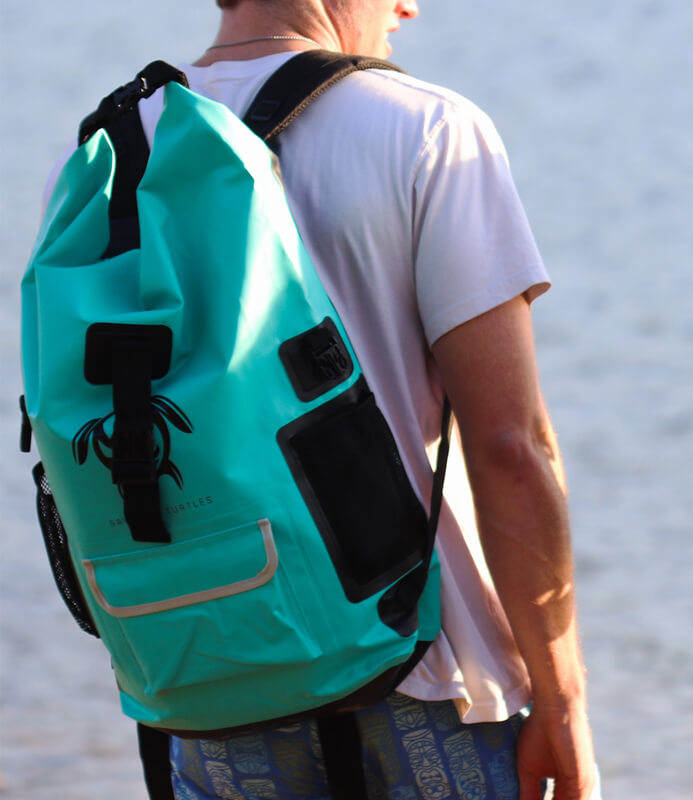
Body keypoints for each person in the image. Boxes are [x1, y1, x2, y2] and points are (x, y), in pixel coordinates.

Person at [127, 1, 600, 797]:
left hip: (209, 677)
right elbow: (511, 446)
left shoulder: (108, 151)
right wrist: (564, 700)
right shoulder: (427, 130)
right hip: (420, 671)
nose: (411, 5)